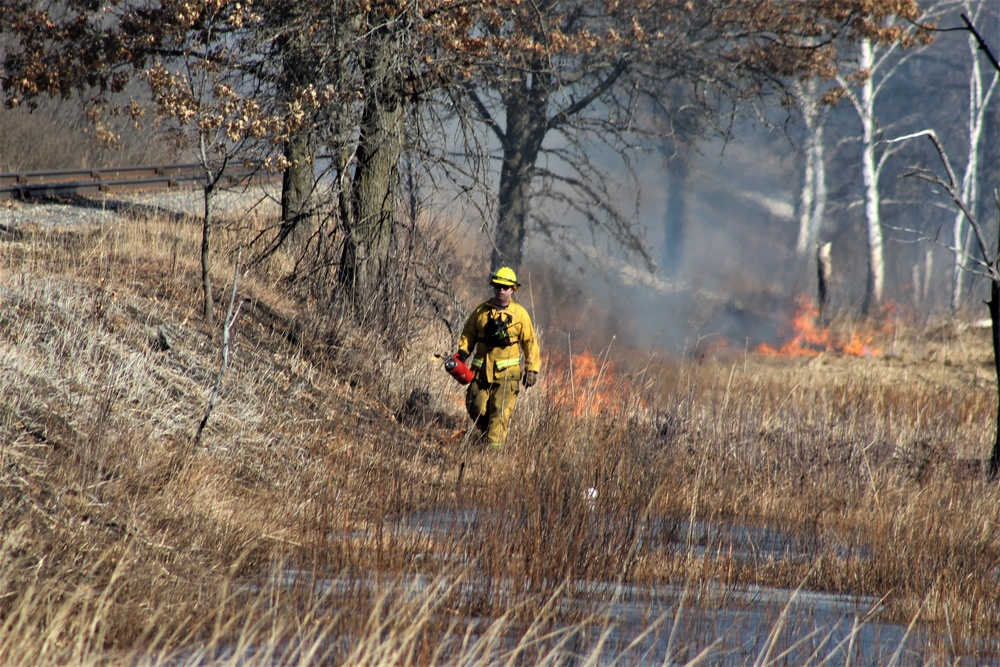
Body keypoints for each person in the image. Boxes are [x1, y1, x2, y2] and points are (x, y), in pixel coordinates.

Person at [455, 266, 541, 449]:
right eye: (497, 286)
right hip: (480, 372)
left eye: (505, 287)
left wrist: (532, 369)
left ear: (513, 289)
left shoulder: (520, 315)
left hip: (507, 376)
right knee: (475, 406)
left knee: (499, 414)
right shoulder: (481, 312)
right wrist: (463, 352)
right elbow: (469, 333)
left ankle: (492, 456)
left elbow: (530, 343)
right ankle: (490, 437)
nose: (501, 290)